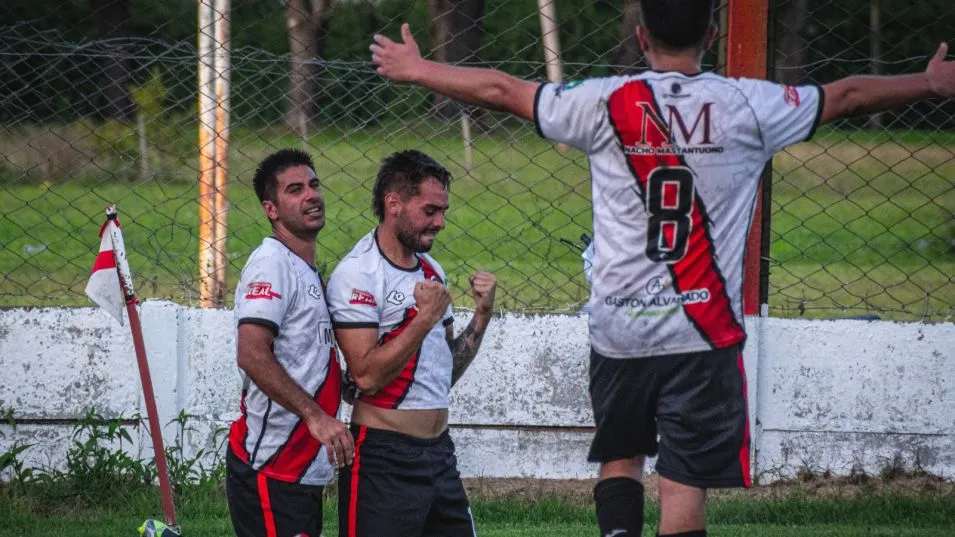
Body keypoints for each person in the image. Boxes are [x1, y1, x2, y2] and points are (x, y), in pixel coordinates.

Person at [368, 2, 955, 536]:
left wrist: (420, 69)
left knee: (620, 455)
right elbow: (847, 96)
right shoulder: (749, 104)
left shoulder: (603, 102)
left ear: (642, 37)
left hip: (620, 329)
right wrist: (928, 83)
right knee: (682, 479)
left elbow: (501, 89)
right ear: (714, 33)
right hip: (702, 332)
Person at [326, 149, 495, 537]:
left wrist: (482, 317)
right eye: (431, 211)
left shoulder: (431, 270)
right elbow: (366, 376)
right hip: (384, 456)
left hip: (439, 454)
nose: (441, 223)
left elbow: (443, 373)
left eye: (443, 211)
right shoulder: (359, 273)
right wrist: (424, 319)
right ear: (394, 204)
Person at [226, 148, 354, 537]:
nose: (311, 195)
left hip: (301, 467)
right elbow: (251, 352)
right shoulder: (273, 263)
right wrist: (317, 417)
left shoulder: (305, 268)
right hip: (271, 465)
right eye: (295, 190)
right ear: (272, 210)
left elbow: (306, 355)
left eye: (314, 185)